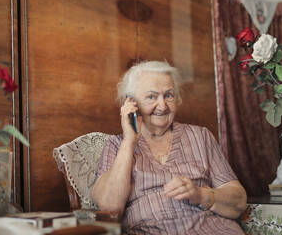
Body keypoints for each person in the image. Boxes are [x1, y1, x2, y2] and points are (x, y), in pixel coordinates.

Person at [91, 61, 247, 235]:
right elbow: (110, 209)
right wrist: (129, 141)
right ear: (131, 103)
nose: (163, 106)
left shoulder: (200, 136)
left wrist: (200, 195)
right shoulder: (116, 146)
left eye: (169, 95)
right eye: (151, 97)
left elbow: (238, 202)